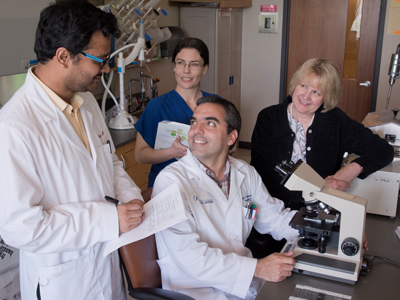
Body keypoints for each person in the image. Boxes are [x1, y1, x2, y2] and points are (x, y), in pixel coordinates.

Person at [0, 1, 145, 299]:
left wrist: (130, 197)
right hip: (64, 279)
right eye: (100, 60)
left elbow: (108, 162)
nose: (105, 69)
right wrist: (108, 220)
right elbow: (21, 228)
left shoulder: (86, 100)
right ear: (64, 56)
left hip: (106, 262)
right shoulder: (15, 126)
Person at [153, 96, 299, 300]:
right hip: (194, 291)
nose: (196, 130)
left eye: (209, 123)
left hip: (243, 285)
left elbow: (274, 218)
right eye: (194, 122)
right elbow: (190, 256)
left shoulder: (245, 173)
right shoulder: (170, 181)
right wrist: (257, 268)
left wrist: (316, 229)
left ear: (232, 137)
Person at [247, 58, 392, 257]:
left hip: (318, 212)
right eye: (303, 86)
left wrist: (349, 171)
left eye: (316, 92)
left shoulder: (336, 121)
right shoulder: (269, 118)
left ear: (327, 97)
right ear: (294, 85)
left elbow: (384, 150)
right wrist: (319, 189)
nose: (305, 96)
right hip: (271, 211)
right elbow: (260, 173)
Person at [134, 37, 218, 187]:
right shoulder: (157, 106)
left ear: (204, 69)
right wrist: (171, 153)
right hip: (167, 186)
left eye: (194, 64)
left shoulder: (216, 105)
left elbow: (231, 147)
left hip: (207, 185)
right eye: (180, 63)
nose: (186, 70)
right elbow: (140, 155)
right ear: (174, 66)